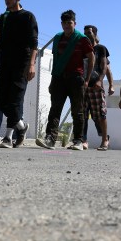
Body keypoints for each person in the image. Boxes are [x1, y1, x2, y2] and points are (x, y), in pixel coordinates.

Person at [35, 10, 94, 150]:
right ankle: (50, 139)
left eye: (70, 23)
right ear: (61, 24)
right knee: (55, 109)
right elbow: (56, 61)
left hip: (76, 79)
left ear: (75, 23)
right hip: (59, 79)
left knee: (77, 111)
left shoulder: (81, 39)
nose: (67, 26)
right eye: (64, 23)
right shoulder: (57, 38)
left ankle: (78, 141)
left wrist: (87, 79)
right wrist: (52, 80)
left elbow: (92, 58)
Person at [0, 0, 37, 148]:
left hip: (22, 65)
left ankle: (8, 138)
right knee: (1, 100)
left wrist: (31, 64)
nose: (6, 0)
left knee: (15, 101)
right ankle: (22, 127)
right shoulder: (4, 18)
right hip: (6, 64)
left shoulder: (28, 17)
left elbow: (34, 44)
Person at [81, 24, 114, 151]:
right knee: (83, 114)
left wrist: (106, 83)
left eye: (89, 32)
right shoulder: (82, 49)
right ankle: (83, 140)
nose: (87, 35)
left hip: (96, 86)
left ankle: (104, 139)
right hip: (84, 86)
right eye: (85, 33)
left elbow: (105, 67)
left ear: (95, 34)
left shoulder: (101, 48)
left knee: (99, 115)